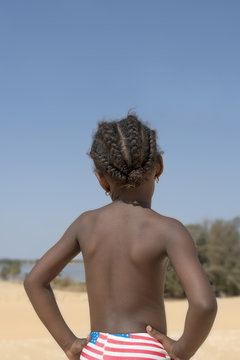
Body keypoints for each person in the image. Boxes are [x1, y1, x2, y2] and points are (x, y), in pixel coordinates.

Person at [24, 113, 217, 360]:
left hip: (95, 349)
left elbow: (34, 282)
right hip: (144, 350)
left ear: (101, 179)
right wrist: (181, 351)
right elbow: (204, 304)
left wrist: (69, 344)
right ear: (158, 165)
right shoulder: (169, 230)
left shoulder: (86, 224)